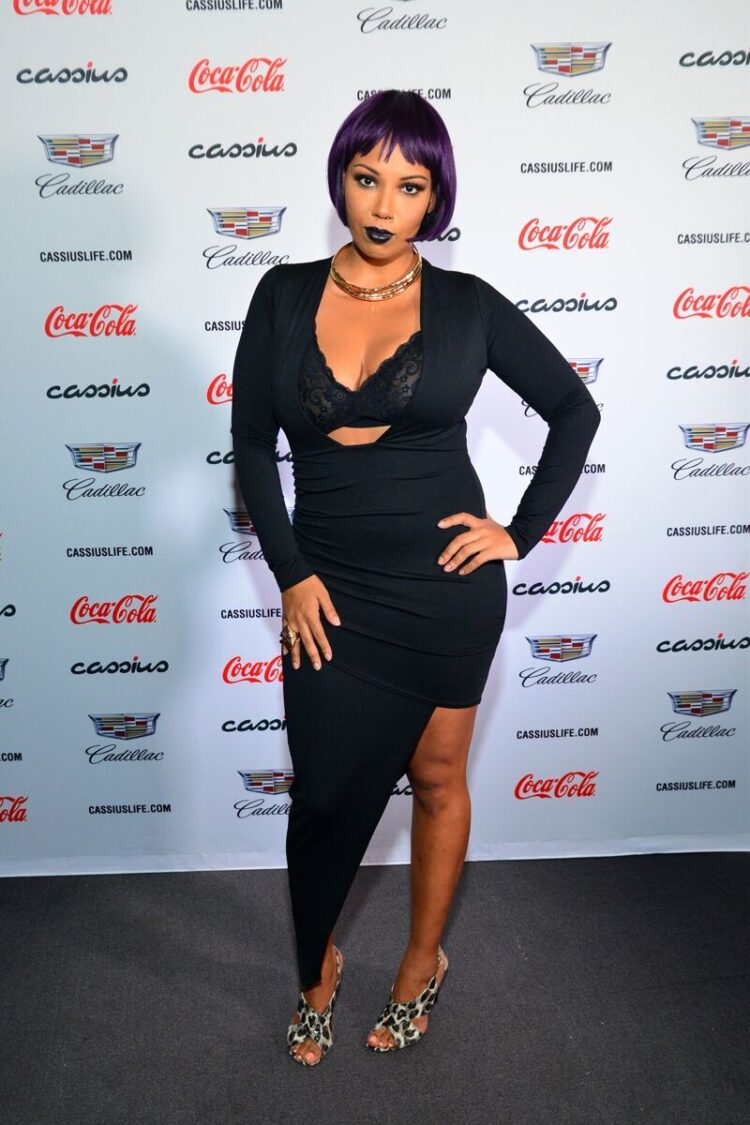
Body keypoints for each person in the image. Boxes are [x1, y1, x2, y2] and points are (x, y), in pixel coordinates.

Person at [230, 90, 601, 1066]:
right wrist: (292, 573)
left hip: (445, 592)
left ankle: (421, 960)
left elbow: (574, 410)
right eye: (367, 178)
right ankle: (317, 963)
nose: (384, 203)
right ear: (341, 181)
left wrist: (519, 531)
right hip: (327, 591)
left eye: (409, 185)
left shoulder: (468, 304)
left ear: (435, 198)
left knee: (437, 778)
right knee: (321, 794)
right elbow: (251, 446)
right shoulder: (280, 294)